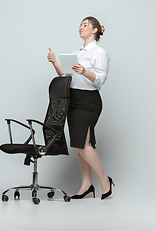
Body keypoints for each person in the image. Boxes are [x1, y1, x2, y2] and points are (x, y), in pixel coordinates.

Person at [47, 16, 114, 200]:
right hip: (73, 99)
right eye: (80, 25)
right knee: (79, 145)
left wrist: (84, 71)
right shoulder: (76, 52)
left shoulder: (99, 53)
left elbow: (100, 79)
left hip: (88, 101)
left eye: (85, 25)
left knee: (84, 146)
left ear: (95, 30)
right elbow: (65, 75)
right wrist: (55, 62)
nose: (81, 27)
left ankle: (105, 181)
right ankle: (86, 185)